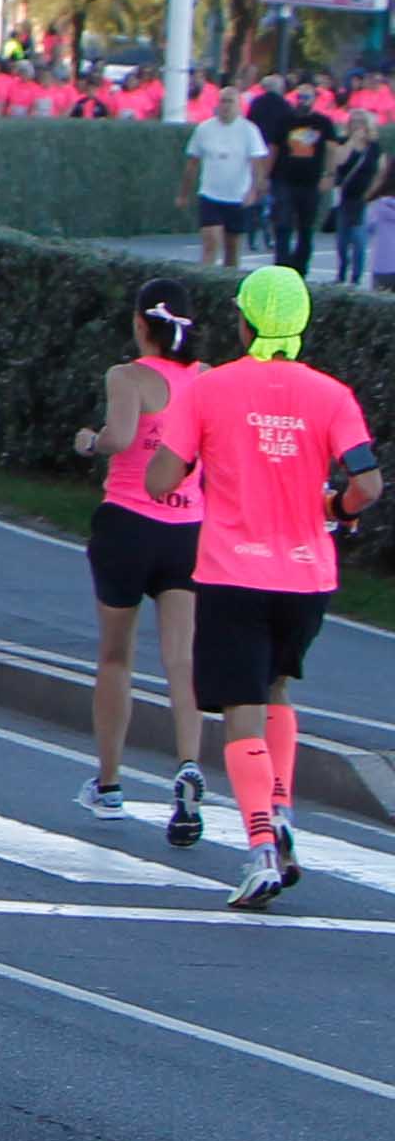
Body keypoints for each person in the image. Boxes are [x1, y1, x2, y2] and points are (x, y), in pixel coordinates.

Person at [146, 264, 379, 906]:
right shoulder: (333, 395)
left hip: (233, 571)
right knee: (276, 688)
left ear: (246, 322)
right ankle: (281, 814)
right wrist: (337, 509)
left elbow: (161, 479)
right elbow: (367, 484)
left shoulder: (210, 389)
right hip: (306, 575)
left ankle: (259, 849)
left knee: (240, 710)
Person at [74, 280, 208, 825]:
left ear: (138, 323)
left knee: (116, 656)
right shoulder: (206, 379)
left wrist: (91, 441)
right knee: (182, 658)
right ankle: (189, 763)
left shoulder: (126, 376)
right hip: (187, 528)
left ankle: (109, 785)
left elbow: (122, 436)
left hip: (128, 524)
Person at [187, 93, 267, 271]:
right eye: (223, 101)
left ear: (238, 106)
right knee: (211, 242)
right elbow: (193, 161)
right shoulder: (204, 129)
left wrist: (253, 190)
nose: (226, 106)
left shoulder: (249, 130)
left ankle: (229, 283)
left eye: (230, 101)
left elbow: (257, 163)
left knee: (232, 250)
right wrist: (184, 193)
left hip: (237, 197)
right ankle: (204, 280)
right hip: (210, 195)